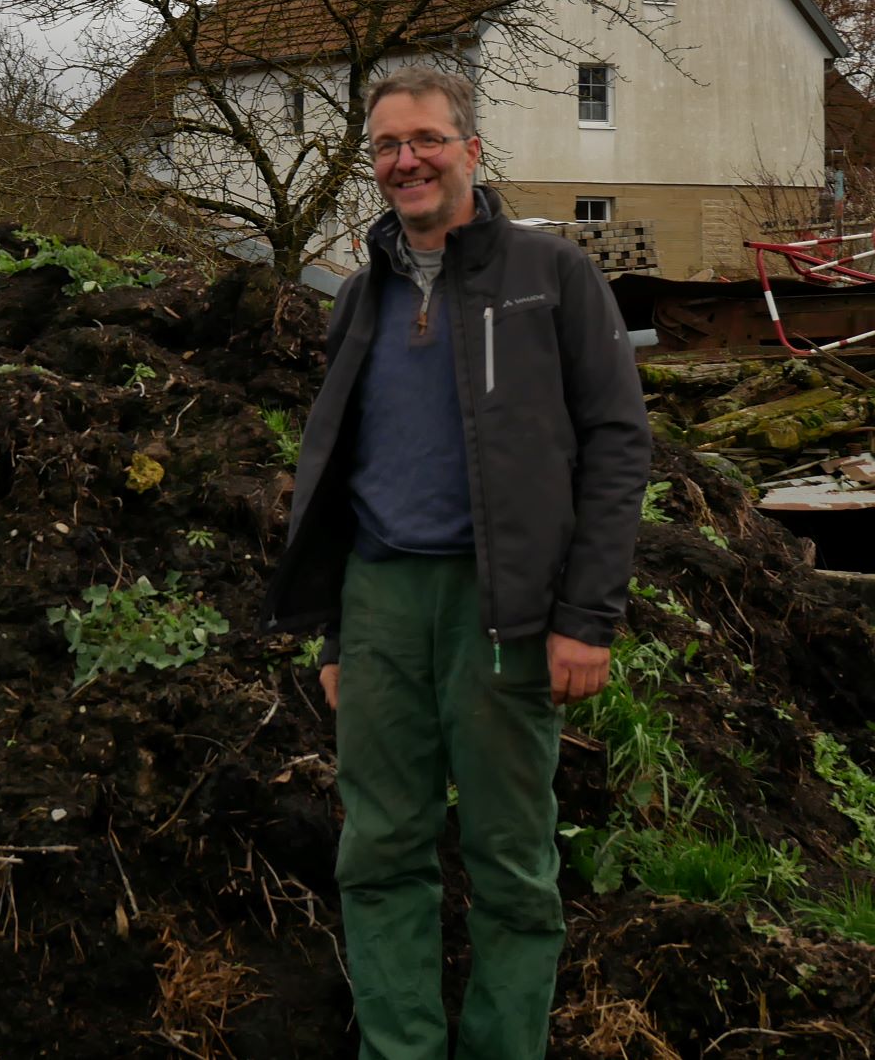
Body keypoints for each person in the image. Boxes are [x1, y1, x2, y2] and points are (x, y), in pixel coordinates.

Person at [266, 67, 651, 1060]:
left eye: (427, 138)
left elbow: (616, 441)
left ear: (471, 149)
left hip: (505, 609)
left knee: (511, 862)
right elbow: (343, 467)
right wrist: (339, 632)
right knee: (380, 852)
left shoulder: (550, 276)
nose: (407, 159)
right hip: (382, 599)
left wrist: (587, 614)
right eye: (388, 145)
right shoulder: (360, 296)